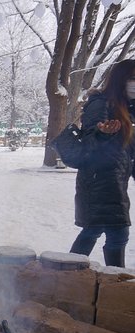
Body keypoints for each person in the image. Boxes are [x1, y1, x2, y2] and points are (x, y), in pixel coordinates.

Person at [69, 59, 135, 267]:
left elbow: (129, 151)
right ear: (120, 80)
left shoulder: (128, 108)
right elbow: (88, 144)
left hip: (115, 182)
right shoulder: (100, 104)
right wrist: (103, 135)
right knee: (116, 231)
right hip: (98, 182)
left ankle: (66, 271)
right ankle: (114, 281)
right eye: (133, 79)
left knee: (95, 229)